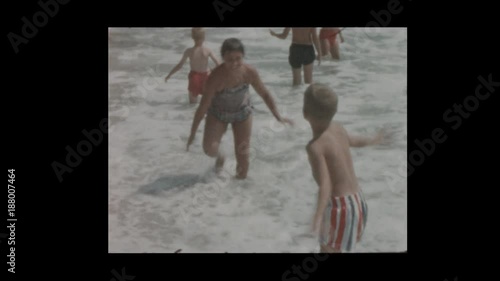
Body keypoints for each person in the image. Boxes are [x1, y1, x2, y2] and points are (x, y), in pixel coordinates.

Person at [186, 38, 293, 179]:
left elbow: (265, 94)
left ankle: (240, 192)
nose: (235, 63)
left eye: (238, 58)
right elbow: (203, 107)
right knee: (209, 149)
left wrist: (277, 116)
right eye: (230, 59)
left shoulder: (249, 72)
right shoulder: (215, 77)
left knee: (243, 158)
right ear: (223, 57)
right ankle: (221, 156)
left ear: (243, 56)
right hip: (218, 113)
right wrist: (192, 134)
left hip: (242, 114)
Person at [303, 83, 386, 253]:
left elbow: (326, 186)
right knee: (337, 248)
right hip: (358, 200)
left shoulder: (315, 146)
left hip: (339, 207)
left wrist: (317, 216)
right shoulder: (338, 128)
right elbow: (355, 141)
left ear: (305, 113)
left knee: (327, 249)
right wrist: (374, 140)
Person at [165, 28, 220, 103]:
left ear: (192, 37)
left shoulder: (189, 51)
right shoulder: (207, 50)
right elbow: (218, 64)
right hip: (206, 76)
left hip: (194, 77)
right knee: (207, 103)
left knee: (192, 104)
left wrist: (169, 75)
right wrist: (212, 72)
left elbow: (180, 65)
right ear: (204, 37)